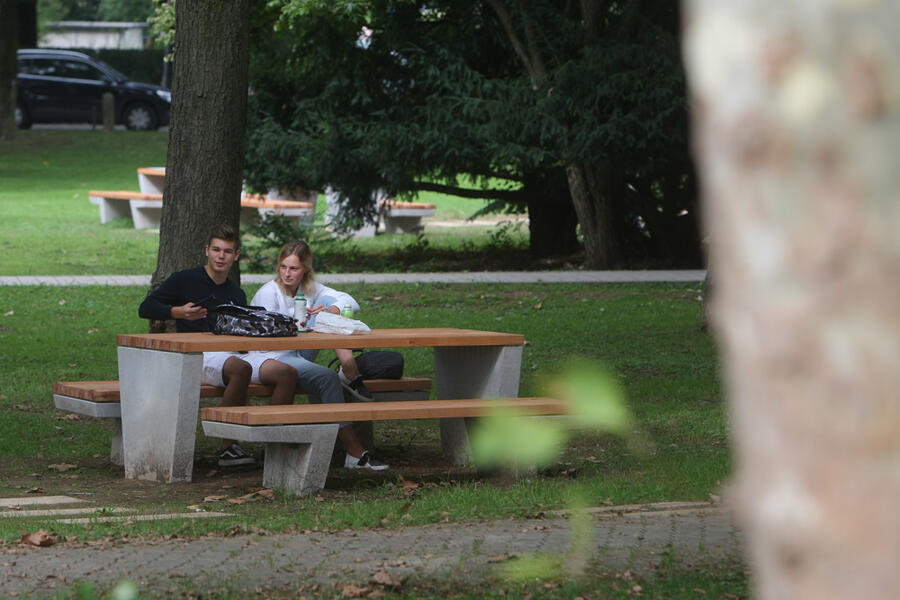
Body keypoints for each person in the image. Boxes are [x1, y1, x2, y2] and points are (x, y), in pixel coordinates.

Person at [138, 224, 298, 467]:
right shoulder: (185, 279)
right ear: (207, 251)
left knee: (287, 373)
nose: (221, 256)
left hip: (233, 353)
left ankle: (273, 444)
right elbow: (146, 308)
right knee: (240, 369)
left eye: (227, 251)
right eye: (216, 250)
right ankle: (228, 447)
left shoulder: (236, 293)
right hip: (196, 356)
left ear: (236, 256)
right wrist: (178, 312)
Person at [249, 240, 388, 471]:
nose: (287, 273)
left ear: (305, 269)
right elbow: (270, 335)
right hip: (272, 357)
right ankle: (355, 451)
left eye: (293, 268)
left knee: (328, 304)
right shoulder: (269, 292)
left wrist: (329, 311)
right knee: (327, 377)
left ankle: (347, 366)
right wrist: (309, 325)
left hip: (299, 353)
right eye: (283, 267)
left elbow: (350, 302)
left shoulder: (311, 288)